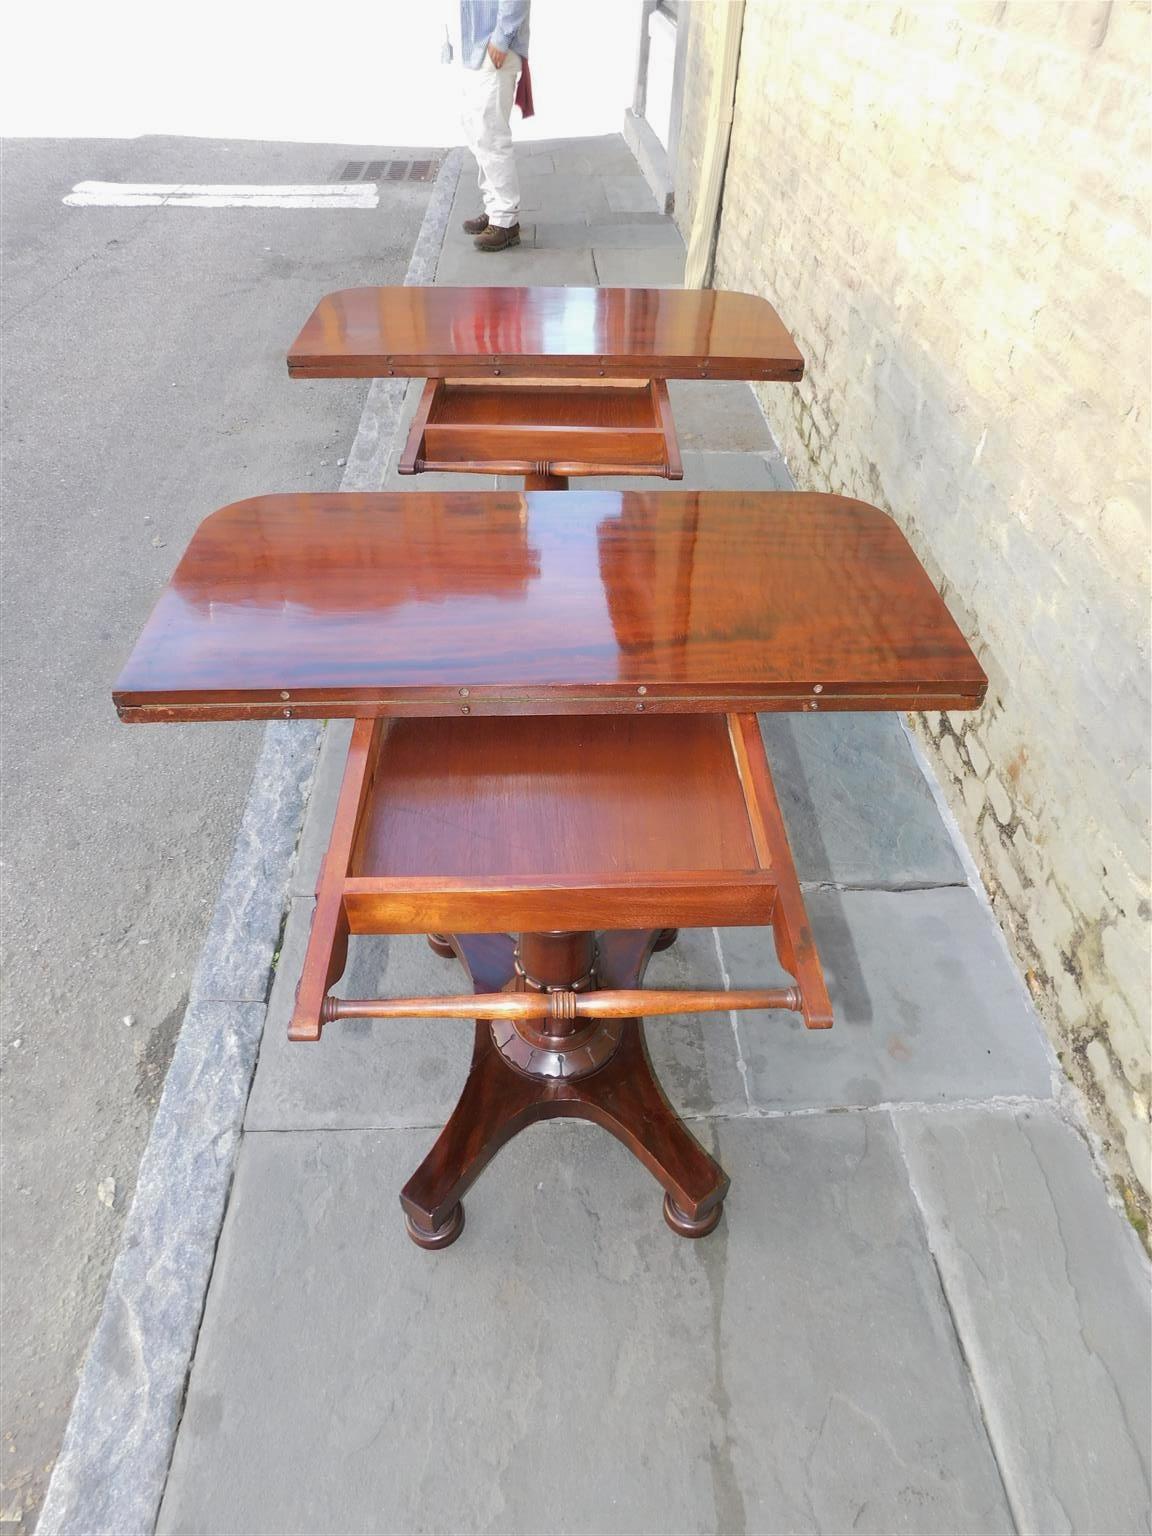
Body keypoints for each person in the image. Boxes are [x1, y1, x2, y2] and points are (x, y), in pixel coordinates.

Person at [447, 1, 532, 252]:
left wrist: (502, 37)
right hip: (474, 45)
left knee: (491, 134)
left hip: (492, 46)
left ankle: (506, 220)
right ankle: (495, 207)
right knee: (475, 131)